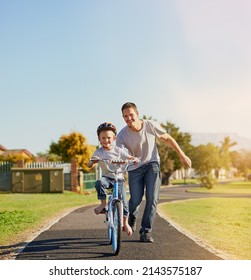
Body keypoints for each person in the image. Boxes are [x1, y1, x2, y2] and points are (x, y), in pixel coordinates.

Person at [116, 102, 192, 242]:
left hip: (152, 164)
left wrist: (182, 154)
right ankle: (130, 219)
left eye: (131, 115)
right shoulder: (121, 135)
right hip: (134, 168)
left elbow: (168, 138)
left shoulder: (150, 125)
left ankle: (145, 231)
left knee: (152, 198)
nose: (129, 119)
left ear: (137, 114)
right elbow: (119, 154)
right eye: (125, 116)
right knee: (136, 200)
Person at [87, 122, 139, 236]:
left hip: (119, 180)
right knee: (99, 182)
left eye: (109, 138)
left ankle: (125, 223)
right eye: (103, 138)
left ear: (114, 138)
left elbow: (128, 157)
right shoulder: (99, 152)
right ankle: (103, 203)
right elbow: (89, 164)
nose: (106, 140)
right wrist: (93, 160)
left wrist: (133, 158)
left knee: (125, 204)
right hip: (107, 179)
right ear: (99, 139)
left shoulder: (118, 150)